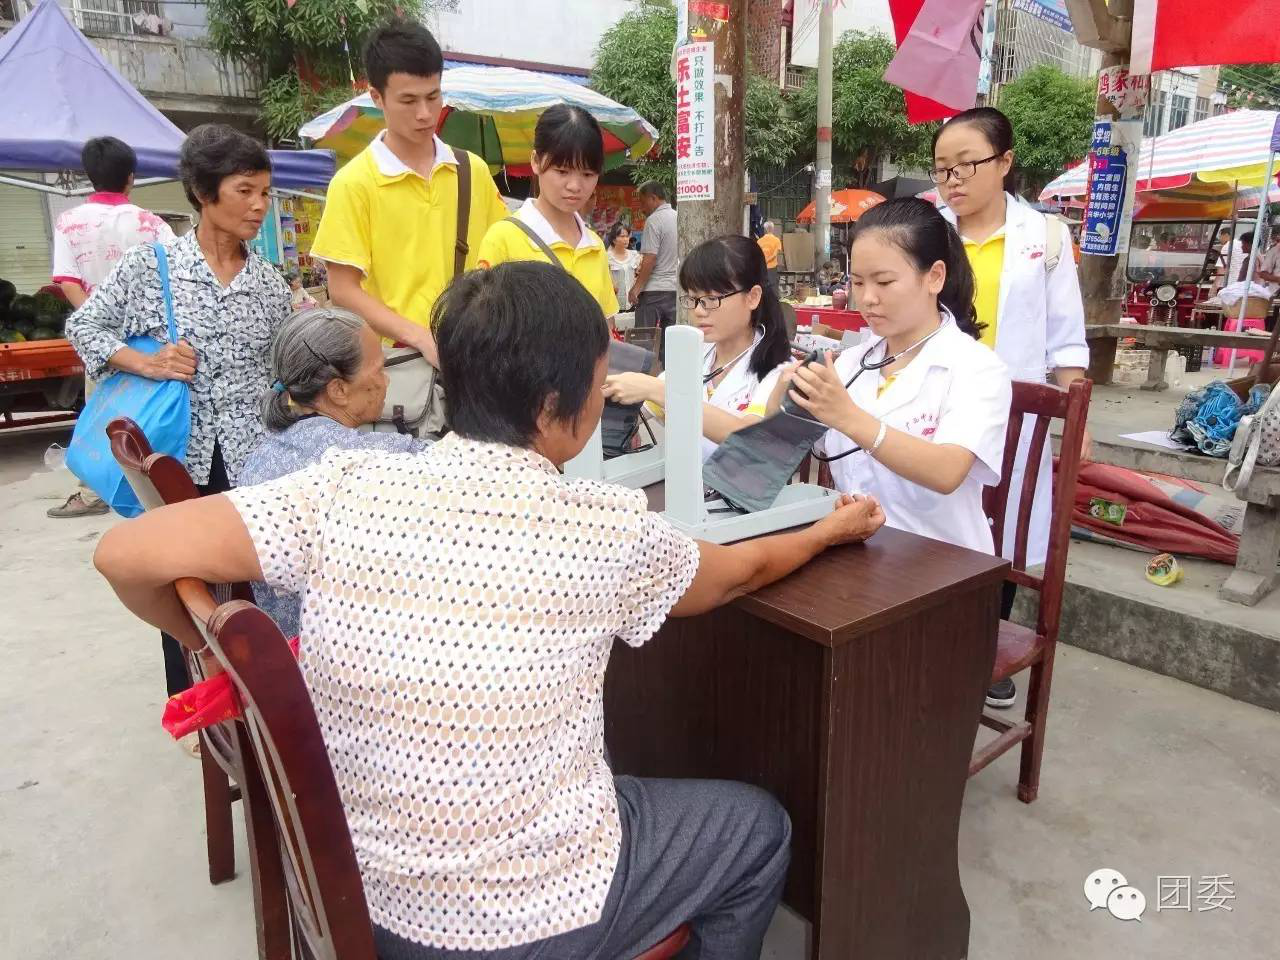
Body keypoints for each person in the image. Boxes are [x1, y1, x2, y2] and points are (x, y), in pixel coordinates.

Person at [91, 260, 886, 960]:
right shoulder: (603, 527)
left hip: (354, 892)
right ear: (553, 406)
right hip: (523, 920)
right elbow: (736, 574)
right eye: (597, 381)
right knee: (757, 830)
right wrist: (825, 533)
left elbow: (125, 554)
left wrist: (222, 656)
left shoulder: (339, 487)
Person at [67, 123, 291, 699]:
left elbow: (283, 367)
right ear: (202, 192)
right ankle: (191, 698)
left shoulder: (270, 283)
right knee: (179, 576)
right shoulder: (152, 266)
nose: (260, 206)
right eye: (245, 191)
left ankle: (249, 701)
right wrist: (147, 363)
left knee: (247, 583)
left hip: (252, 458)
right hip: (173, 454)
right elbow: (85, 326)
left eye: (265, 193)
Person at [932, 107, 1088, 709]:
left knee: (1003, 524)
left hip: (1014, 412)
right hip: (937, 400)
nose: (953, 180)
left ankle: (987, 643)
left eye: (966, 165)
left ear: (1004, 161)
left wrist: (1077, 412)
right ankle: (931, 631)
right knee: (937, 515)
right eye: (942, 168)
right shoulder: (927, 233)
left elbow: (1065, 335)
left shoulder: (1044, 238)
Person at [764, 198, 1011, 558]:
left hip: (944, 563)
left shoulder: (977, 368)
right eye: (857, 282)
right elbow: (782, 449)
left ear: (934, 277)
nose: (867, 298)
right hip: (856, 553)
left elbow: (947, 471)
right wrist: (781, 403)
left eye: (884, 281)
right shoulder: (851, 363)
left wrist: (847, 416)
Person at [311, 17, 508, 367]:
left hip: (475, 360)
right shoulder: (354, 183)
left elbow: (504, 260)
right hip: (399, 366)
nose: (425, 114)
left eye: (433, 97)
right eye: (408, 101)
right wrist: (419, 336)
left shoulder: (472, 171)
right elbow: (342, 290)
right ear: (377, 97)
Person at [240, 306, 431, 637]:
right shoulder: (376, 459)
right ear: (338, 390)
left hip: (284, 640)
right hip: (349, 648)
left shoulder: (258, 458)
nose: (385, 381)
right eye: (379, 370)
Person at [48, 136, 175, 519]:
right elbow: (175, 279)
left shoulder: (70, 222)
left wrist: (99, 325)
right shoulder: (151, 223)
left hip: (103, 344)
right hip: (153, 342)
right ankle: (159, 485)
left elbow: (68, 282)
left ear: (88, 175)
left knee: (105, 416)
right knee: (154, 413)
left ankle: (94, 492)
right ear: (131, 177)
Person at [603, 234, 793, 461]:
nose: (699, 311)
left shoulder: (781, 370)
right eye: (693, 299)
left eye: (711, 299)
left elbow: (748, 437)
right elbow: (646, 408)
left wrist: (659, 391)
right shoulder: (696, 355)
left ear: (752, 297)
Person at [476, 104, 619, 324]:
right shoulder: (502, 239)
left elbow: (606, 328)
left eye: (588, 174)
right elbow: (483, 327)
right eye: (562, 171)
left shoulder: (595, 247)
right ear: (535, 161)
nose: (575, 186)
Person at [629, 181, 679, 349]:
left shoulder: (653, 220)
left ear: (653, 198)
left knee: (643, 343)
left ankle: (643, 368)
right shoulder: (678, 217)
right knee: (670, 346)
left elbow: (650, 258)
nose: (642, 208)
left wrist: (636, 289)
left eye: (643, 202)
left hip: (653, 292)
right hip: (674, 290)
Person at [605, 220, 641, 313]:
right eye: (622, 236)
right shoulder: (606, 257)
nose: (626, 239)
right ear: (614, 239)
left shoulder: (635, 255)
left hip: (633, 306)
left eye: (627, 236)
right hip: (614, 307)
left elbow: (639, 275)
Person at [757, 220, 783, 291]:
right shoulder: (777, 240)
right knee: (773, 287)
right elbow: (774, 255)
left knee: (762, 286)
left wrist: (764, 261)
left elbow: (758, 255)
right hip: (772, 267)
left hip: (762, 267)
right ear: (773, 229)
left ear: (765, 229)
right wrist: (767, 261)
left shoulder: (759, 241)